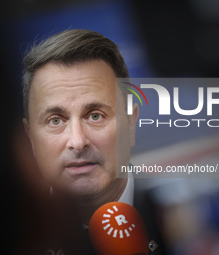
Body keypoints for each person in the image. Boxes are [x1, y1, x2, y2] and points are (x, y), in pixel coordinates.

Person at [21, 29, 166, 254]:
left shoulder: (187, 221)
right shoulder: (12, 237)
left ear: (130, 124)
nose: (78, 142)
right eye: (55, 120)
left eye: (95, 116)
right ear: (30, 138)